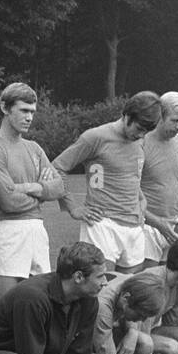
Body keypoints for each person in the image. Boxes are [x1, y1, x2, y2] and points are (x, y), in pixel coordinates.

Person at [54, 91, 162, 275]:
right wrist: (73, 207)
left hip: (134, 226)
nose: (141, 135)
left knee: (128, 293)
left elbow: (130, 175)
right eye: (139, 128)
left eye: (146, 131)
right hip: (102, 224)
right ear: (127, 116)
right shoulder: (95, 137)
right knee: (99, 291)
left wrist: (141, 201)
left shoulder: (140, 141)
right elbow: (57, 167)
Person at [0, 83, 65, 307]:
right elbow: (8, 202)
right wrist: (42, 193)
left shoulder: (34, 148)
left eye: (32, 112)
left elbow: (59, 188)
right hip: (7, 231)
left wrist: (30, 188)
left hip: (37, 231)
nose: (29, 117)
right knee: (5, 308)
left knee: (40, 305)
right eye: (24, 111)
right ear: (5, 108)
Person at [140, 92, 178, 269]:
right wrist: (155, 222)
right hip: (145, 226)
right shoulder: (141, 143)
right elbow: (130, 191)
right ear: (161, 115)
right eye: (175, 120)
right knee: (148, 283)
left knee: (171, 281)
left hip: (173, 227)